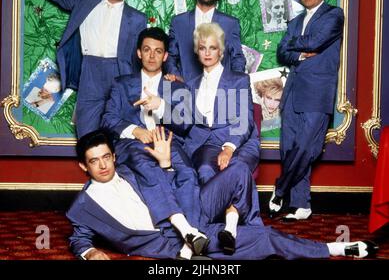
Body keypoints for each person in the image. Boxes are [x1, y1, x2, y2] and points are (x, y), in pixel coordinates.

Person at [67, 128, 378, 260]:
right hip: (174, 241)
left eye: (106, 157)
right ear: (84, 166)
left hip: (190, 211)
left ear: (113, 156)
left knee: (240, 170)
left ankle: (233, 228)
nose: (103, 165)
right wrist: (89, 252)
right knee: (266, 238)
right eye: (95, 161)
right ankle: (336, 250)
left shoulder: (132, 173)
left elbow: (169, 188)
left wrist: (164, 165)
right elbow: (79, 238)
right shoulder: (85, 205)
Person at [101, 27, 207, 255]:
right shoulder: (121, 84)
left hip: (169, 142)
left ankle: (187, 250)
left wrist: (160, 105)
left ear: (165, 56)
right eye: (147, 50)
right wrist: (135, 131)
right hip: (133, 145)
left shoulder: (177, 86)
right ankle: (186, 229)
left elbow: (185, 123)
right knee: (148, 167)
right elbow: (107, 119)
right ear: (139, 52)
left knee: (188, 174)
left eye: (158, 51)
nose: (152, 56)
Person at [16, 0, 147, 137]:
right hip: (89, 70)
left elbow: (144, 54)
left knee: (119, 128)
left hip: (119, 72)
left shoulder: (138, 18)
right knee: (86, 128)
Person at [164, 22, 261, 254]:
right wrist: (174, 89)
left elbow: (244, 121)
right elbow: (181, 120)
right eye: (202, 48)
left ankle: (231, 228)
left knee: (236, 168)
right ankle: (215, 232)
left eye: (213, 48)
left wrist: (228, 148)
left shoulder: (238, 79)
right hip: (205, 144)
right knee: (207, 170)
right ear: (197, 52)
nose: (207, 52)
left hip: (238, 141)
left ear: (221, 51)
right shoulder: (191, 84)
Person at [269, 0, 345, 221]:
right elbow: (283, 52)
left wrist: (294, 43)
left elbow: (315, 41)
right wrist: (298, 52)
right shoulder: (294, 21)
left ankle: (280, 190)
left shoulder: (334, 15)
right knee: (289, 148)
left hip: (317, 92)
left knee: (305, 147)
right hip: (292, 93)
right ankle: (302, 205)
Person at [165, 0, 246, 82]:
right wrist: (177, 79)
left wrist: (232, 83)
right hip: (185, 89)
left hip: (220, 91)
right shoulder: (178, 22)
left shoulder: (230, 24)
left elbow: (237, 58)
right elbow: (171, 57)